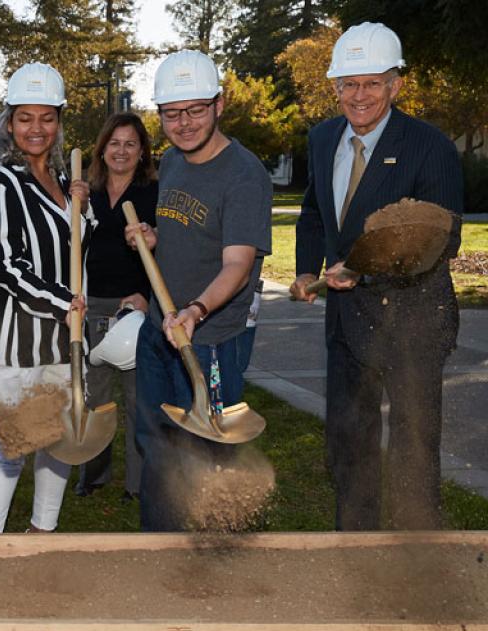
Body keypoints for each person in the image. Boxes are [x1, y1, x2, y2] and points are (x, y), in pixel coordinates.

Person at [289, 23, 462, 530]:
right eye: (348, 84)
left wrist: (361, 273)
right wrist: (305, 268)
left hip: (412, 324)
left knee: (413, 446)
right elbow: (313, 215)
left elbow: (442, 240)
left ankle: (415, 556)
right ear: (336, 87)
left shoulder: (430, 147)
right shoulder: (322, 139)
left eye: (371, 83)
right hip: (346, 326)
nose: (358, 96)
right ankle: (356, 551)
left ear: (396, 85)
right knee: (349, 443)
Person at [126, 50, 271, 531]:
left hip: (209, 339)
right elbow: (186, 231)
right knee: (157, 442)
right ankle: (159, 547)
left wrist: (196, 310)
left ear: (219, 104)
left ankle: (212, 554)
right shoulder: (172, 163)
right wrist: (152, 238)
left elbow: (238, 263)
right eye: (172, 113)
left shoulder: (245, 175)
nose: (184, 123)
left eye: (195, 110)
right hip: (160, 329)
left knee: (208, 451)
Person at [0, 63, 87, 534]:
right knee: (13, 441)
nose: (37, 128)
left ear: (59, 121)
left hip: (56, 333)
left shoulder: (60, 183)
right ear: (8, 122)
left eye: (47, 117)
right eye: (26, 117)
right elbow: (9, 266)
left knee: (59, 436)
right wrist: (64, 302)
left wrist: (80, 211)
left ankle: (42, 531)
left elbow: (67, 248)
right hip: (5, 337)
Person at [71, 112, 156, 502]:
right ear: (102, 149)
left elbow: (165, 251)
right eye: (114, 143)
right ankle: (93, 473)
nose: (121, 151)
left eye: (130, 144)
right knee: (96, 396)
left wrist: (145, 295)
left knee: (138, 397)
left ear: (141, 153)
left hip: (134, 305)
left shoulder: (154, 193)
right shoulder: (85, 193)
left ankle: (137, 484)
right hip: (92, 303)